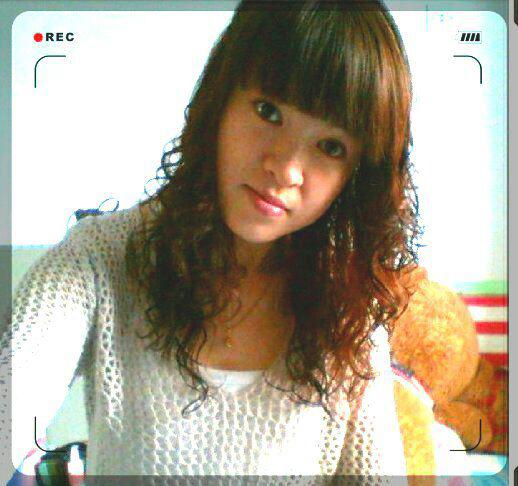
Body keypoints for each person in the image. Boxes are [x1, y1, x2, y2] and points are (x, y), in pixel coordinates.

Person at [2, 0, 421, 482]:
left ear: (357, 175)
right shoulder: (98, 262)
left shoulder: (349, 319)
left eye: (331, 146)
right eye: (269, 111)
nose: (285, 168)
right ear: (220, 100)